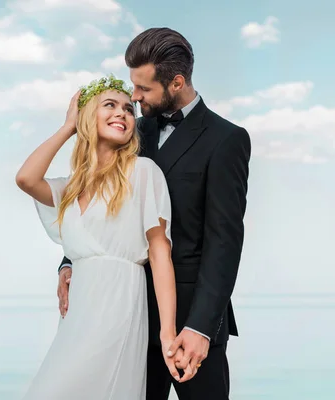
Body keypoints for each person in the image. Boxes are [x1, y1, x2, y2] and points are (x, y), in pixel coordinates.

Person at [57, 28, 252, 400]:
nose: (134, 97)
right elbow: (99, 198)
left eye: (144, 89)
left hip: (189, 326)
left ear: (176, 82)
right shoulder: (129, 131)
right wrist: (69, 260)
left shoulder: (226, 140)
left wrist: (199, 328)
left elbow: (224, 242)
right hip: (124, 317)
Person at [16, 75, 181, 399]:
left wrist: (167, 332)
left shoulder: (143, 171)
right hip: (78, 316)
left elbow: (161, 254)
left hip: (119, 308)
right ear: (88, 117)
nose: (122, 113)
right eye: (110, 105)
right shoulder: (70, 187)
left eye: (128, 109)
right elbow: (25, 178)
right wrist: (68, 127)